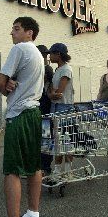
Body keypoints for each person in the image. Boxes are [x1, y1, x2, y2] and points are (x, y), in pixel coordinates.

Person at [0, 17, 44, 217]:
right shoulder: (38, 55)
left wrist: (6, 87)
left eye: (16, 29)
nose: (11, 33)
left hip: (19, 115)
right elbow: (15, 81)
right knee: (34, 165)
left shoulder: (19, 49)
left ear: (29, 33)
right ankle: (33, 213)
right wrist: (12, 84)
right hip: (34, 113)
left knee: (12, 170)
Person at [48, 42, 75, 175]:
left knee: (65, 139)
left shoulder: (66, 70)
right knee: (58, 140)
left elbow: (58, 93)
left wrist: (51, 94)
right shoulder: (58, 70)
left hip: (64, 107)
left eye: (51, 53)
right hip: (56, 107)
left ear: (58, 54)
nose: (49, 56)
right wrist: (51, 94)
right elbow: (52, 92)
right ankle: (58, 169)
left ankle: (67, 169)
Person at [37, 45, 54, 174]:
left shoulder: (47, 69)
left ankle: (45, 166)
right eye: (43, 54)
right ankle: (39, 166)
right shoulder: (36, 67)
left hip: (45, 108)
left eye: (45, 55)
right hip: (38, 107)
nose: (44, 57)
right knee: (39, 138)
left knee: (46, 137)